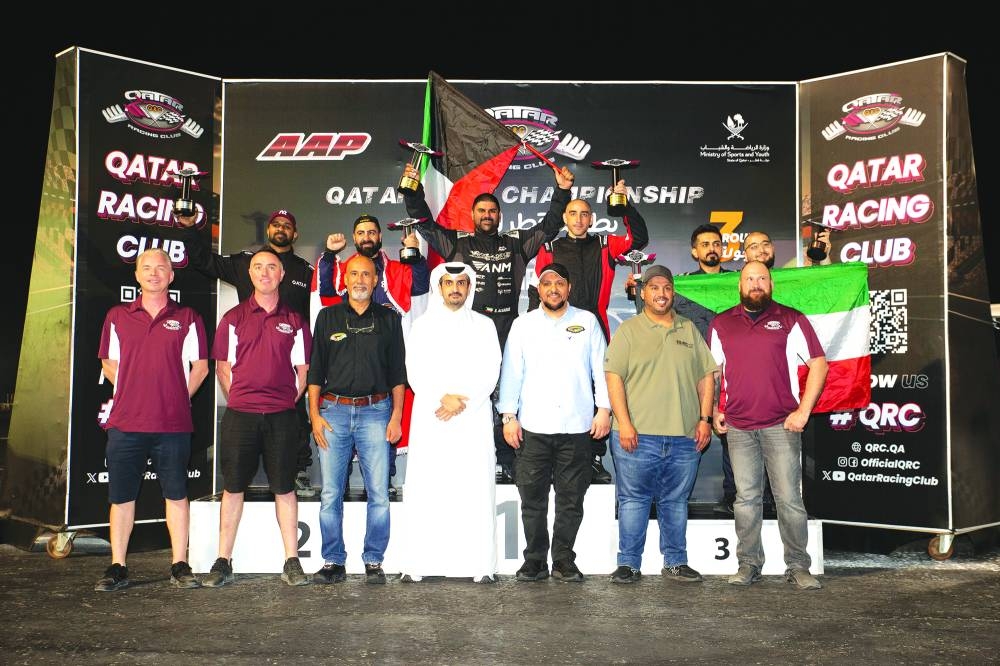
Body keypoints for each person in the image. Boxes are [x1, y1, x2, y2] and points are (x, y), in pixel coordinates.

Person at [401, 161, 575, 483]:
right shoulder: (458, 244)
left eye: (492, 211)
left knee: (509, 395)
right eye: (481, 210)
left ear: (499, 216)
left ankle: (508, 460)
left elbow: (549, 227)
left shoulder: (516, 244)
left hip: (509, 328)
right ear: (473, 215)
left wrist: (562, 191)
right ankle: (467, 459)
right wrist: (413, 189)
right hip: (471, 332)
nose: (487, 215)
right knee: (471, 391)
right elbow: (426, 225)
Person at [176, 209, 316, 498]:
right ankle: (243, 476)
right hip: (249, 359)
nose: (281, 229)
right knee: (243, 443)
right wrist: (190, 229)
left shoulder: (305, 270)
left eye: (287, 226)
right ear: (268, 231)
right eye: (276, 224)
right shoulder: (243, 264)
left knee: (296, 419)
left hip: (290, 359)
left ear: (295, 234)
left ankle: (299, 470)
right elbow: (205, 261)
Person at [707, 261, 828, 590]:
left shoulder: (791, 319)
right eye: (750, 278)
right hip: (739, 426)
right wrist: (716, 409)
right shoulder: (721, 323)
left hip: (781, 425)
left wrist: (804, 410)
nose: (756, 283)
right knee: (746, 499)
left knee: (789, 498)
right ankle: (748, 564)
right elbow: (715, 371)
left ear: (771, 284)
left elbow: (819, 364)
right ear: (740, 285)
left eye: (762, 278)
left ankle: (799, 566)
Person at [94, 248, 209, 591]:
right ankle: (118, 565)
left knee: (176, 494)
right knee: (121, 497)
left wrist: (173, 396)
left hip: (172, 424)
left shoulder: (188, 317)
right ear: (137, 274)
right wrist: (136, 390)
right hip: (126, 423)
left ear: (172, 276)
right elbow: (108, 364)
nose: (154, 273)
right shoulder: (117, 315)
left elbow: (200, 367)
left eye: (162, 268)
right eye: (147, 267)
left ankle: (179, 564)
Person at [201, 249, 311, 588]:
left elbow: (302, 371)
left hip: (281, 417)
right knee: (233, 488)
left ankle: (292, 560)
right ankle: (223, 560)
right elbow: (222, 368)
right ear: (249, 275)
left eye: (272, 268)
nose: (265, 273)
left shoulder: (294, 320)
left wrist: (280, 402)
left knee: (284, 487)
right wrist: (243, 400)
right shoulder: (232, 318)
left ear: (281, 275)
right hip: (240, 417)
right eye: (258, 267)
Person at [528, 180, 649, 484]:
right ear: (565, 218)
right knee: (557, 386)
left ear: (591, 219)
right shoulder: (550, 247)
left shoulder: (605, 245)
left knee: (599, 392)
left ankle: (594, 458)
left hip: (596, 326)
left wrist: (624, 204)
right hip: (556, 327)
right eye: (573, 213)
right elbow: (537, 289)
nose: (579, 219)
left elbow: (639, 239)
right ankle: (554, 456)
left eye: (584, 214)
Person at [497, 263, 610, 583]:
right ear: (538, 290)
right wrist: (508, 416)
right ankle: (534, 560)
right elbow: (511, 373)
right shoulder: (523, 325)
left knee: (571, 499)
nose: (553, 289)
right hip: (533, 427)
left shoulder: (587, 322)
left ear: (569, 288)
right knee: (532, 500)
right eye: (547, 284)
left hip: (577, 427)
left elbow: (601, 369)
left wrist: (604, 409)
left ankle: (563, 559)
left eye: (559, 283)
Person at [604, 265, 716, 584]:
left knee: (675, 502)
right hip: (637, 436)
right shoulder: (628, 330)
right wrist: (624, 424)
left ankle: (675, 562)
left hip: (684, 436)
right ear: (643, 294)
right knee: (633, 501)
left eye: (667, 287)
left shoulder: (689, 330)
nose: (661, 293)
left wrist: (705, 419)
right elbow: (614, 379)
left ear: (673, 293)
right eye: (654, 287)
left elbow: (705, 377)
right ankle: (628, 564)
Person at [397, 262, 501, 583]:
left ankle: (479, 566)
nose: (455, 288)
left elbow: (491, 369)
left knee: (473, 489)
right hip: (432, 419)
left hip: (473, 419)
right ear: (438, 288)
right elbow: (414, 370)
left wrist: (461, 401)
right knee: (430, 487)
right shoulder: (422, 326)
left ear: (469, 288)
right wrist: (441, 397)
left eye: (461, 283)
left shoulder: (485, 325)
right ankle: (419, 565)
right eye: (448, 283)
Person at [315, 214, 430, 495]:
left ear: (380, 236)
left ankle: (384, 484)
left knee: (382, 452)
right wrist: (330, 255)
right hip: (345, 371)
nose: (366, 236)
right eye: (361, 232)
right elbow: (326, 288)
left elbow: (421, 285)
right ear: (354, 238)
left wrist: (414, 256)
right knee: (336, 473)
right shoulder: (347, 269)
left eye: (371, 232)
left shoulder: (395, 270)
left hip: (382, 372)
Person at [308, 254, 405, 585]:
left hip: (377, 413)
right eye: (354, 274)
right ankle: (333, 560)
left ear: (376, 280)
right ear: (344, 279)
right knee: (330, 493)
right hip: (332, 413)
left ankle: (374, 560)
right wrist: (314, 416)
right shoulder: (327, 317)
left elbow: (398, 374)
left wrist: (396, 418)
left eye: (367, 274)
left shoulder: (390, 319)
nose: (360, 280)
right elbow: (316, 370)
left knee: (378, 491)